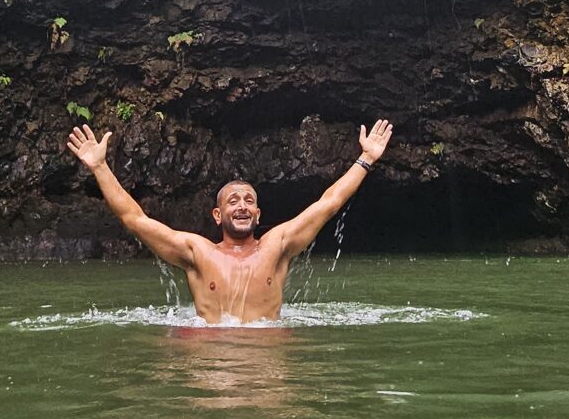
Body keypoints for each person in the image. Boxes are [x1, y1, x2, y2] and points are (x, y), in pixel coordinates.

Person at [65, 119, 394, 324]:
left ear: (258, 214)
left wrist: (366, 159)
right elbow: (134, 219)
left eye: (249, 201)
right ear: (218, 215)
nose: (242, 206)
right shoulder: (197, 252)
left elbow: (329, 202)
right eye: (233, 201)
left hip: (267, 357)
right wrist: (99, 167)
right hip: (213, 359)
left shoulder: (277, 245)